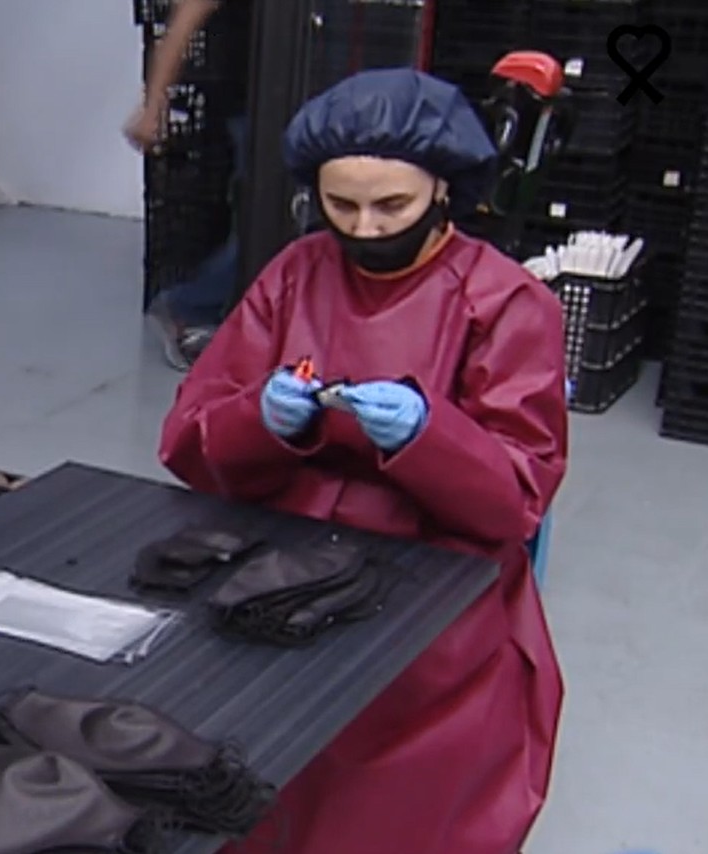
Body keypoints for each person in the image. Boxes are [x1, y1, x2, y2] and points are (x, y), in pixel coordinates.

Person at [157, 68, 567, 853]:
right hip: (282, 567)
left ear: (444, 188)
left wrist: (429, 438)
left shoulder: (507, 301)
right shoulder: (296, 272)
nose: (366, 228)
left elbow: (516, 501)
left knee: (393, 805)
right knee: (244, 756)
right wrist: (261, 420)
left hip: (435, 587)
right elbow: (188, 439)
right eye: (341, 205)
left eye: (392, 206)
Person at [126, 0, 251, 370]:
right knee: (265, 215)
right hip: (251, 103)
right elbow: (181, 26)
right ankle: (189, 304)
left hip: (301, 95)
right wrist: (153, 108)